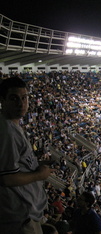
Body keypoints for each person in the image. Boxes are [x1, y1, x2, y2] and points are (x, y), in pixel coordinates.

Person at [0, 77, 55, 234]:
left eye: (24, 98)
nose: (21, 103)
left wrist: (34, 163)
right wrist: (40, 174)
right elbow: (7, 178)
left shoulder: (11, 125)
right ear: (2, 100)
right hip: (20, 218)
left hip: (24, 215)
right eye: (14, 98)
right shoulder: (7, 131)